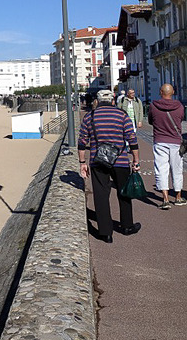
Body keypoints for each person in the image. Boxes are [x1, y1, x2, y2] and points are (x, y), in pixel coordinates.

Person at [78, 89, 141, 243]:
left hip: (98, 160)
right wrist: (136, 160)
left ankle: (105, 232)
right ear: (113, 100)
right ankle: (127, 226)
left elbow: (82, 141)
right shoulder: (122, 115)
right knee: (124, 192)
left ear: (97, 101)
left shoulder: (90, 116)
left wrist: (82, 163)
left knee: (101, 195)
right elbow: (132, 139)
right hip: (120, 161)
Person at [148, 83, 186, 208]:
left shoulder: (153, 106)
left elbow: (150, 120)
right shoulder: (179, 106)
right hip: (175, 141)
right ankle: (178, 197)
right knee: (177, 169)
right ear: (173, 92)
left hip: (160, 140)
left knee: (161, 169)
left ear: (160, 92)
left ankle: (165, 199)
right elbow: (180, 119)